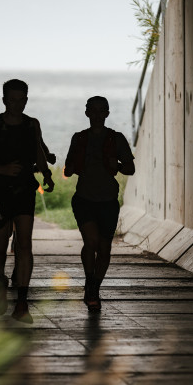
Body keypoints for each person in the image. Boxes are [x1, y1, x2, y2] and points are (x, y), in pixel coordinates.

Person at [0, 79, 54, 323]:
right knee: (0, 243)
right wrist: (2, 169)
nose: (17, 104)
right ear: (4, 99)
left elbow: (38, 151)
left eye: (22, 100)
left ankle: (22, 303)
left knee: (25, 243)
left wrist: (46, 173)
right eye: (12, 99)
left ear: (27, 99)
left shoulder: (32, 124)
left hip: (25, 190)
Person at [64, 96, 135, 311]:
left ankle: (93, 286)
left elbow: (130, 169)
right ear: (86, 113)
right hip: (84, 199)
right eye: (92, 110)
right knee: (91, 241)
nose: (96, 115)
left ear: (107, 113)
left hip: (108, 201)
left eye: (101, 110)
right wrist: (72, 166)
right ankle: (90, 284)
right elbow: (67, 170)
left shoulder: (117, 139)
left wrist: (117, 164)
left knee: (104, 250)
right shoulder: (78, 138)